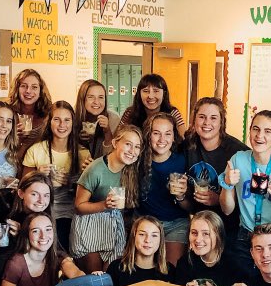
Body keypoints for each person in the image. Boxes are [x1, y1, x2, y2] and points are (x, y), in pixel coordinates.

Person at [220, 110, 271, 265]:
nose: (259, 135)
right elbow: (227, 209)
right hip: (246, 237)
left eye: (267, 131)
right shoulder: (238, 159)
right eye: (255, 129)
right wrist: (228, 185)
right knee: (243, 285)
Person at [71, 124, 142, 272]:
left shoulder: (133, 170)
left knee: (111, 276)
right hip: (89, 226)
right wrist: (104, 205)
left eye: (137, 147)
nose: (132, 151)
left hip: (114, 226)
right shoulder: (96, 169)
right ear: (115, 143)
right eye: (128, 144)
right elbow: (79, 206)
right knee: (96, 279)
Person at [21, 99, 91, 249]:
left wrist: (81, 177)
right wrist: (38, 175)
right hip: (43, 212)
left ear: (73, 123)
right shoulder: (36, 150)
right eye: (57, 120)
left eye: (67, 120)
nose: (62, 125)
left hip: (73, 214)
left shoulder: (83, 154)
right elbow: (22, 188)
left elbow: (90, 193)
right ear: (49, 122)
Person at [0, 211, 84, 286]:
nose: (43, 236)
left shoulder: (57, 256)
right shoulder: (16, 264)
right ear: (27, 234)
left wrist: (95, 278)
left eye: (48, 229)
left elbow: (77, 275)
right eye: (36, 231)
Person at [183, 97, 247, 218]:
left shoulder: (238, 152)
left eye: (213, 118)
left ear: (221, 122)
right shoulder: (187, 146)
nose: (207, 122)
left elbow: (247, 198)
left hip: (229, 224)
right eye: (202, 117)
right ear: (194, 120)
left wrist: (219, 199)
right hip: (198, 220)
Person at [139, 113, 189, 265]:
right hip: (145, 223)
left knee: (171, 271)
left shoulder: (182, 161)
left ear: (174, 137)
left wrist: (180, 196)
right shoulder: (138, 159)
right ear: (148, 136)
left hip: (176, 224)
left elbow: (190, 207)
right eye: (156, 133)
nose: (162, 139)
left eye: (168, 134)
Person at [172, 210, 247, 286]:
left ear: (218, 236)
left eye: (206, 234)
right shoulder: (185, 262)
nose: (198, 240)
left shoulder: (235, 263)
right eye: (194, 233)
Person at [107, 215, 172, 286]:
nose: (147, 240)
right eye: (142, 234)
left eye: (154, 235)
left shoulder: (170, 270)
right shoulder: (116, 267)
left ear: (161, 240)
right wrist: (97, 281)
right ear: (134, 236)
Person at [120, 73, 186, 136]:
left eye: (156, 91)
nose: (150, 96)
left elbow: (183, 139)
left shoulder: (173, 113)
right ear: (139, 94)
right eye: (146, 91)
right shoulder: (130, 113)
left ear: (164, 94)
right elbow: (118, 137)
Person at [9, 68, 53, 157]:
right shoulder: (7, 114)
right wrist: (13, 137)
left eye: (34, 87)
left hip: (38, 165)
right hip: (12, 164)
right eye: (24, 86)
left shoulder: (49, 115)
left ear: (40, 91)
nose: (28, 91)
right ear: (17, 89)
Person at [76, 78, 120, 159]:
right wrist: (77, 139)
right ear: (82, 99)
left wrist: (107, 132)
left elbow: (113, 156)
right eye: (91, 97)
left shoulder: (113, 118)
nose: (96, 102)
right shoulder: (73, 118)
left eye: (101, 97)